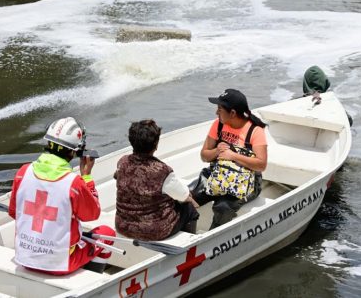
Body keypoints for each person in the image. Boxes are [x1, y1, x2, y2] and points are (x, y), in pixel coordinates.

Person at [8, 117, 115, 275]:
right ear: (74, 151)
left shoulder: (23, 172)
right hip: (59, 264)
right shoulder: (74, 183)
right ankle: (90, 277)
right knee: (107, 233)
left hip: (24, 258)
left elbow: (13, 212)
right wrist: (86, 176)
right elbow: (93, 214)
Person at [192, 89, 268, 229]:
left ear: (232, 113)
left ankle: (212, 240)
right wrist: (217, 151)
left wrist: (232, 156)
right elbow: (204, 155)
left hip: (245, 183)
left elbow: (261, 165)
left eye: (219, 109)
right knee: (188, 198)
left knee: (223, 206)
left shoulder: (255, 131)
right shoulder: (218, 124)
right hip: (217, 175)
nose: (216, 113)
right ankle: (186, 237)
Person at [114, 120, 200, 241]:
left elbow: (118, 177)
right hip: (154, 231)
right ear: (156, 145)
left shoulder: (122, 162)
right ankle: (190, 244)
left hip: (123, 226)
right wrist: (191, 200)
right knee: (189, 209)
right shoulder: (162, 171)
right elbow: (183, 195)